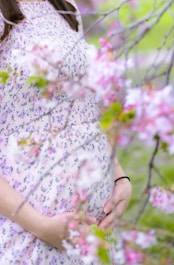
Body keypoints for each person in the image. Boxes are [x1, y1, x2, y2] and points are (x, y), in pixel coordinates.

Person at [0, 0, 132, 264]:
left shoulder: (66, 6)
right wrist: (41, 226)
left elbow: (84, 106)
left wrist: (119, 176)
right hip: (30, 231)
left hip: (96, 228)